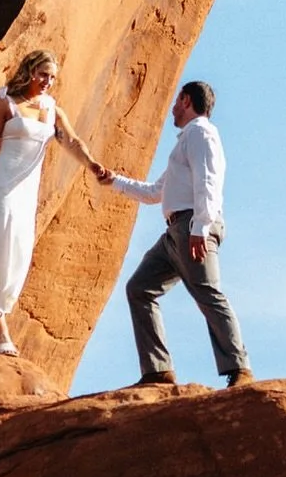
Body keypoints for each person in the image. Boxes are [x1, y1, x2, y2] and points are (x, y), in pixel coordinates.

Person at [0, 49, 107, 355]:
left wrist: (93, 165)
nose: (47, 81)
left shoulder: (51, 109)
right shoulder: (5, 103)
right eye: (43, 74)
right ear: (30, 72)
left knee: (14, 254)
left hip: (25, 193)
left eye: (52, 77)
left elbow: (72, 141)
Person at [100, 79, 253, 387]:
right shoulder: (186, 140)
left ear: (185, 100)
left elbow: (209, 182)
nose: (171, 108)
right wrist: (112, 180)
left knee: (208, 292)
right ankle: (158, 370)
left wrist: (200, 228)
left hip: (193, 226)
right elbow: (156, 192)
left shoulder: (201, 133)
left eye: (175, 101)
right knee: (140, 288)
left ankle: (240, 369)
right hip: (176, 231)